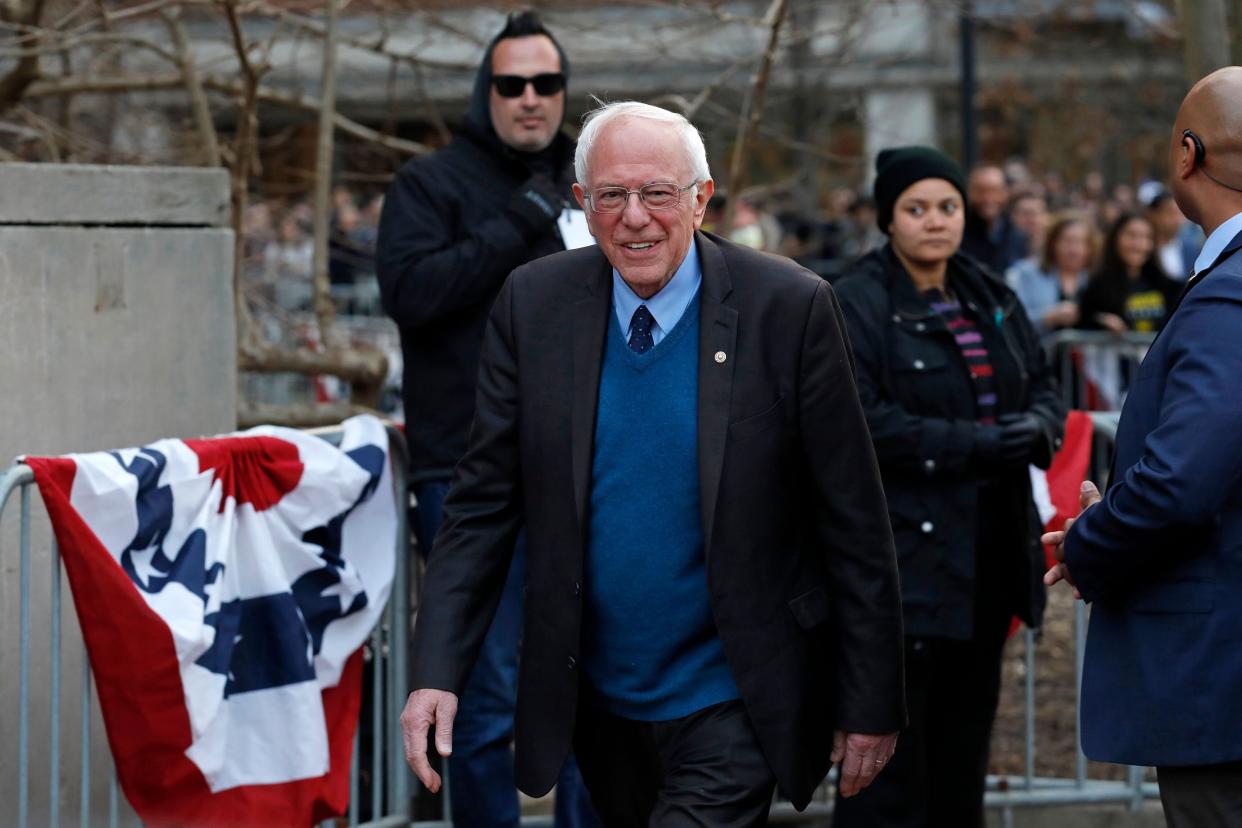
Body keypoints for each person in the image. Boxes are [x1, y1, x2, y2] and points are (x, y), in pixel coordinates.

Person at [399, 101, 906, 826]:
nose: (634, 217)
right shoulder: (534, 304)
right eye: (611, 196)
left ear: (701, 199)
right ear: (583, 203)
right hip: (600, 701)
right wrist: (436, 674)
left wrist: (870, 700)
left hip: (735, 693)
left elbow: (853, 520)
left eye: (657, 194)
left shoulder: (787, 308)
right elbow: (481, 507)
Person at [375, 11, 596, 827]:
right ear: (487, 91)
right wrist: (522, 222)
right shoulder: (430, 186)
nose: (532, 99)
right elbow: (411, 293)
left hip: (588, 473)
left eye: (547, 83)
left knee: (592, 689)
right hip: (471, 481)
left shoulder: (591, 181)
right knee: (480, 698)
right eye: (513, 84)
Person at [831, 147, 1065, 828]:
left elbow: (1044, 384)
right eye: (917, 209)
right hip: (907, 567)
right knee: (892, 778)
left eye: (948, 207)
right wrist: (983, 444)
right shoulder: (858, 301)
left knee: (963, 765)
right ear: (888, 218)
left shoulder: (989, 291)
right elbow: (867, 422)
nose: (935, 221)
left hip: (990, 559)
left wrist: (1037, 426)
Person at [1043, 66, 1242, 828]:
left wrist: (1094, 540)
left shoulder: (1228, 293)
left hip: (1218, 685)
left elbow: (1181, 484)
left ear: (1187, 156)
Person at [1077, 212, 1181, 334]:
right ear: (1115, 238)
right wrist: (1101, 321)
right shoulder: (1097, 286)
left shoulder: (1169, 287)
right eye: (1131, 235)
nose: (1138, 244)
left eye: (1146, 237)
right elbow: (1082, 321)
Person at [1005, 211, 1096, 336]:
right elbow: (1011, 319)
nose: (1074, 249)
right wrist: (1048, 318)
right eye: (1068, 241)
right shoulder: (1027, 274)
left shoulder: (1094, 280)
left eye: (1082, 242)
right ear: (1053, 243)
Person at [961, 165, 1027, 274]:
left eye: (994, 191)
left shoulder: (1017, 236)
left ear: (1005, 193)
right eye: (981, 191)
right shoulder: (958, 235)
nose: (988, 198)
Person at [1146, 189, 1202, 281]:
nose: (1177, 220)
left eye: (1180, 214)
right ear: (1153, 215)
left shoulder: (1192, 250)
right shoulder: (1143, 250)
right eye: (1170, 213)